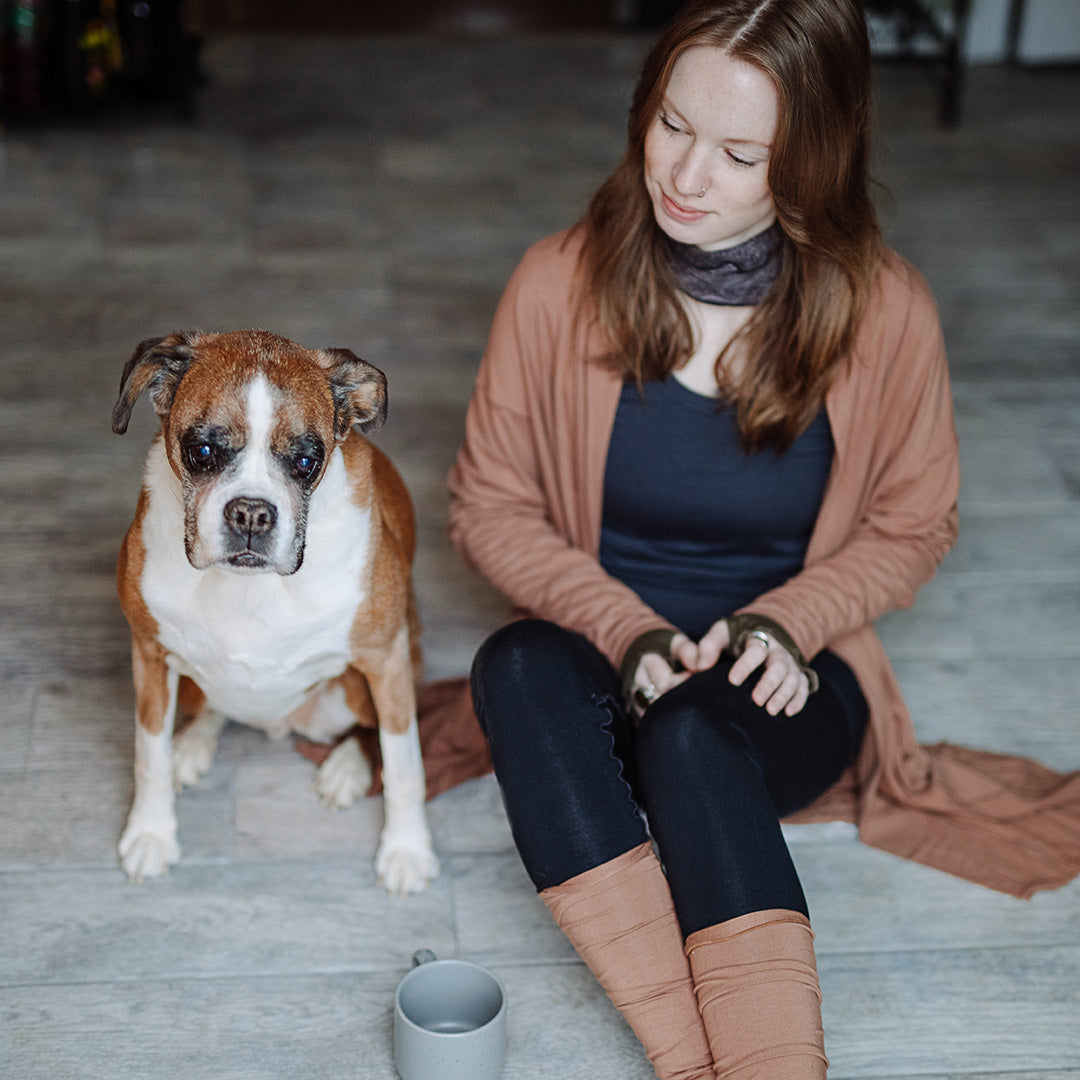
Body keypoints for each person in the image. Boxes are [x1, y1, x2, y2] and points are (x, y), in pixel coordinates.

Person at [438, 1, 1080, 1077]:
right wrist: (628, 631)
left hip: (785, 683)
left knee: (690, 732)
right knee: (513, 663)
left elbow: (916, 525)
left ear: (815, 164)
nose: (687, 175)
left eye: (741, 154)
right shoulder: (555, 281)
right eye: (672, 126)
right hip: (609, 650)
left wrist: (789, 622)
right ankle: (707, 1062)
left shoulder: (888, 312)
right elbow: (487, 507)